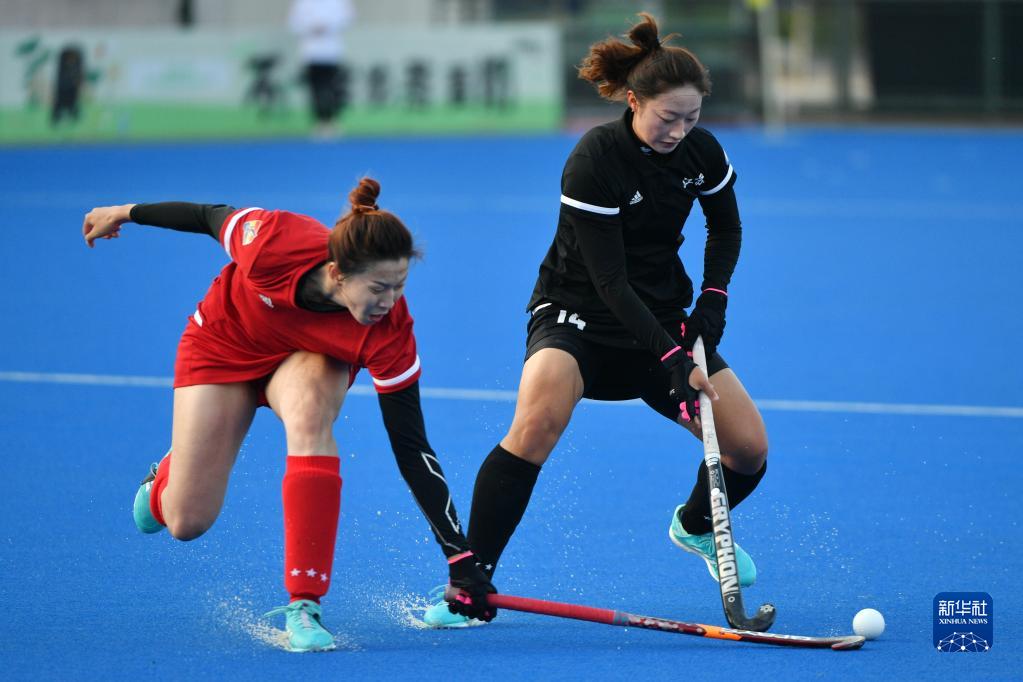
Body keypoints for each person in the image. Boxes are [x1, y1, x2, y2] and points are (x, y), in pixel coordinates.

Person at [424, 13, 769, 627]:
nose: (679, 131)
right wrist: (671, 358)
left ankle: (694, 525)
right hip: (576, 312)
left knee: (747, 448)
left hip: (659, 316)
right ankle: (470, 580)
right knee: (537, 422)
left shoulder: (701, 151)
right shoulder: (596, 158)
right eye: (668, 117)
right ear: (634, 101)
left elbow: (726, 226)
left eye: (692, 118)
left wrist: (712, 302)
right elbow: (609, 282)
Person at [82, 178, 495, 651]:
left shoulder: (389, 330)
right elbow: (207, 216)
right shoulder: (274, 242)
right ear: (338, 273)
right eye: (378, 288)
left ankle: (304, 605)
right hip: (225, 343)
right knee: (187, 522)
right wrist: (124, 211)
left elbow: (411, 447)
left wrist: (459, 556)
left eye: (399, 287)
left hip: (307, 360)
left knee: (310, 417)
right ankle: (166, 482)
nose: (389, 301)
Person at [288, 0, 354, 138]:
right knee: (315, 89)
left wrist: (328, 26)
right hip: (311, 52)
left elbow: (348, 19)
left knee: (333, 88)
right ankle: (319, 122)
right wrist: (311, 28)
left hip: (332, 52)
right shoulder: (302, 3)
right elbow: (293, 23)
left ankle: (333, 120)